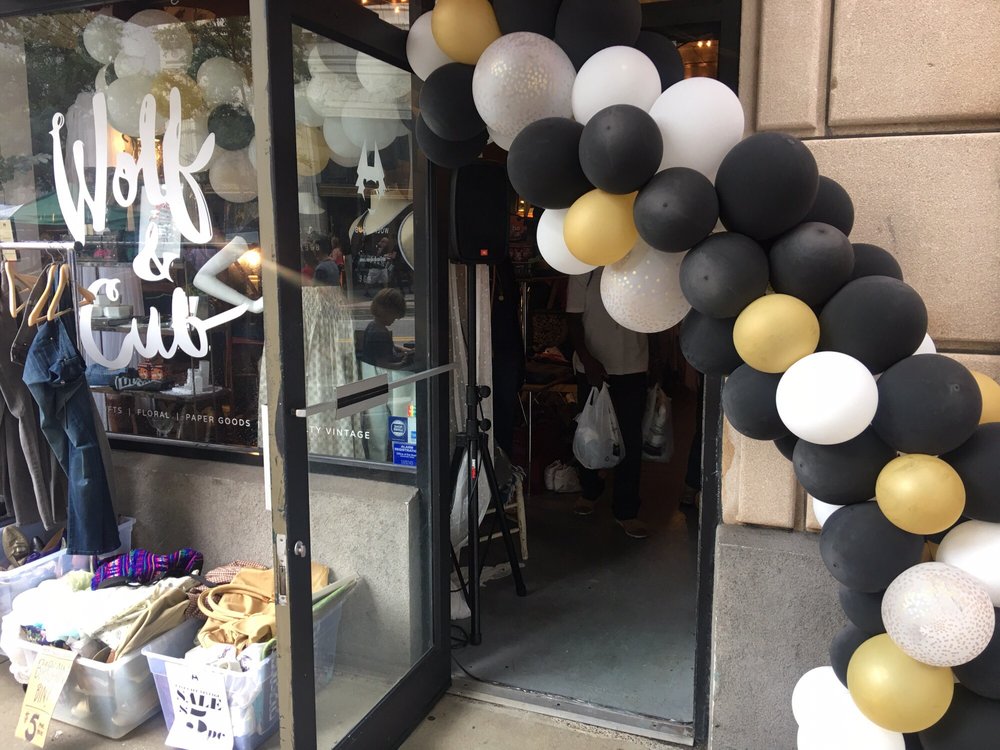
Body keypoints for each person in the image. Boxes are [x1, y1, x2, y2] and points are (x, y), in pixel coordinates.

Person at [567, 268, 651, 539]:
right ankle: (590, 490)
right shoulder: (583, 267)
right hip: (594, 366)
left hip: (634, 363)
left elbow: (654, 314)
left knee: (630, 439)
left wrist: (658, 359)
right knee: (591, 433)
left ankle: (626, 510)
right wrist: (587, 359)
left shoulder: (639, 265)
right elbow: (573, 319)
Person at [360, 288, 413, 370]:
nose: (395, 319)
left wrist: (404, 350)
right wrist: (404, 363)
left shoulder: (373, 325)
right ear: (387, 311)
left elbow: (384, 347)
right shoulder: (380, 334)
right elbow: (383, 366)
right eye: (394, 315)